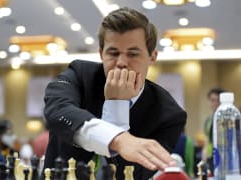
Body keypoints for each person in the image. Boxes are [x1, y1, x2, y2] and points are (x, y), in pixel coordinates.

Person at [42, 7, 187, 179]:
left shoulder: (169, 115)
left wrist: (117, 106)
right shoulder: (79, 74)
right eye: (113, 53)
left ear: (152, 57)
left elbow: (132, 175)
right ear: (101, 54)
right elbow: (57, 110)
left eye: (133, 54)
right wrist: (117, 139)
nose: (121, 63)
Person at [202, 87, 224, 174]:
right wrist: (204, 160)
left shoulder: (228, 118)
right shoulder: (209, 120)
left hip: (224, 155)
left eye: (216, 100)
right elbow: (207, 141)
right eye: (211, 100)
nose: (214, 103)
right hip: (211, 156)